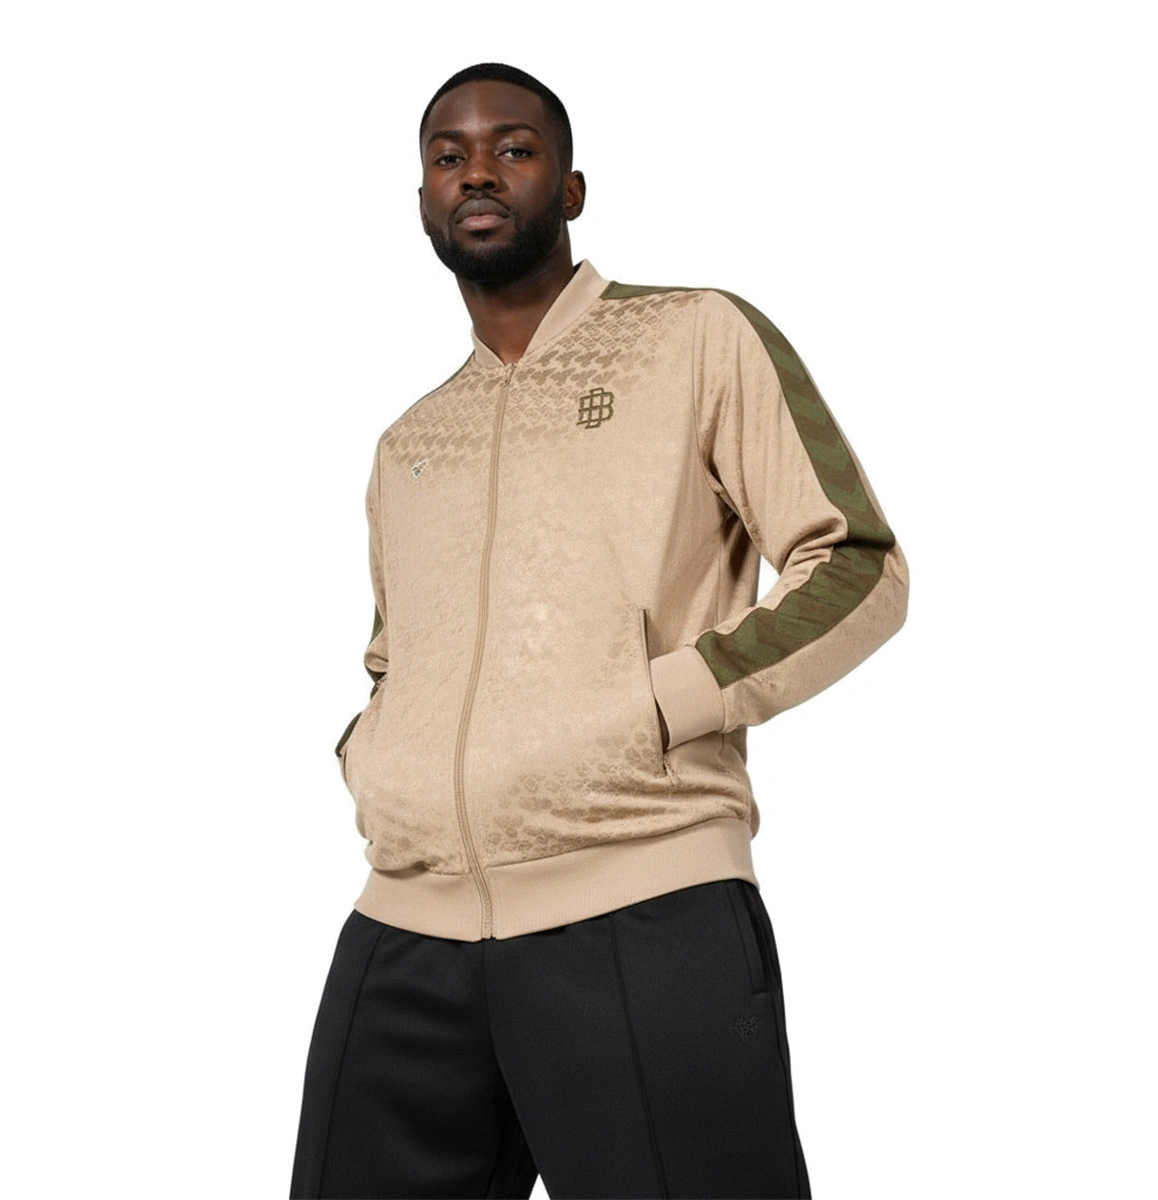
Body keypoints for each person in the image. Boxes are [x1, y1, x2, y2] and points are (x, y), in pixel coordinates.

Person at [290, 62, 909, 1200]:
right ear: (423, 200)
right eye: (448, 155)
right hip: (404, 927)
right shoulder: (409, 442)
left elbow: (857, 565)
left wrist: (663, 704)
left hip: (642, 904)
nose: (478, 170)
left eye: (513, 148)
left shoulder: (695, 337)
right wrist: (374, 756)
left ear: (571, 189)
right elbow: (392, 657)